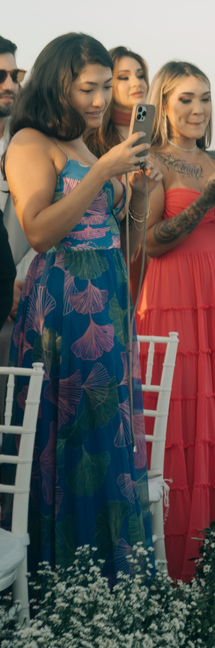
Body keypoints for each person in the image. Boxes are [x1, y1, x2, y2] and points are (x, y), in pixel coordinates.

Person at [3, 33, 155, 583]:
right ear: (56, 83)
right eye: (86, 88)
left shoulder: (87, 144)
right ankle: (67, 583)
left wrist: (135, 191)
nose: (98, 100)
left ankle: (113, 583)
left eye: (103, 87)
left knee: (106, 435)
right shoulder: (29, 142)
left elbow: (122, 243)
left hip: (108, 304)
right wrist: (101, 171)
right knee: (68, 443)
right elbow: (39, 232)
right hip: (62, 310)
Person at [136, 62, 215, 581]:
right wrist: (207, 198)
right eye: (186, 99)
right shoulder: (152, 162)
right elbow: (151, 241)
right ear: (164, 102)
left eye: (205, 99)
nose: (198, 110)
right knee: (177, 414)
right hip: (170, 296)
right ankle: (170, 552)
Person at [0, 36, 30, 362]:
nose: (9, 84)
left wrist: (16, 283)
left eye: (15, 75)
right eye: (0, 76)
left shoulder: (31, 144)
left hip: (25, 303)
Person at [94, 46, 150, 152]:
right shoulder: (92, 139)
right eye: (124, 77)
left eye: (140, 76)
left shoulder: (160, 134)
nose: (137, 83)